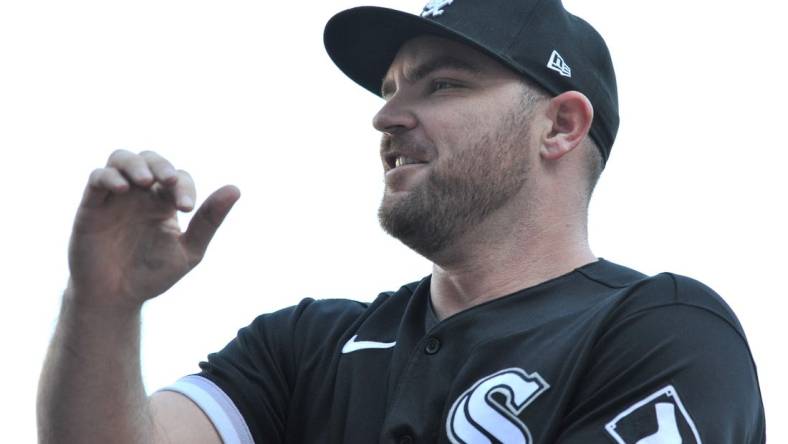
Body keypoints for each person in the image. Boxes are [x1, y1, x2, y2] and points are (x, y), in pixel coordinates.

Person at [37, 1, 766, 443]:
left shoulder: (663, 331)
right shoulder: (304, 346)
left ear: (561, 126)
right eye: (388, 91)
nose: (385, 117)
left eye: (443, 83)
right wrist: (102, 303)